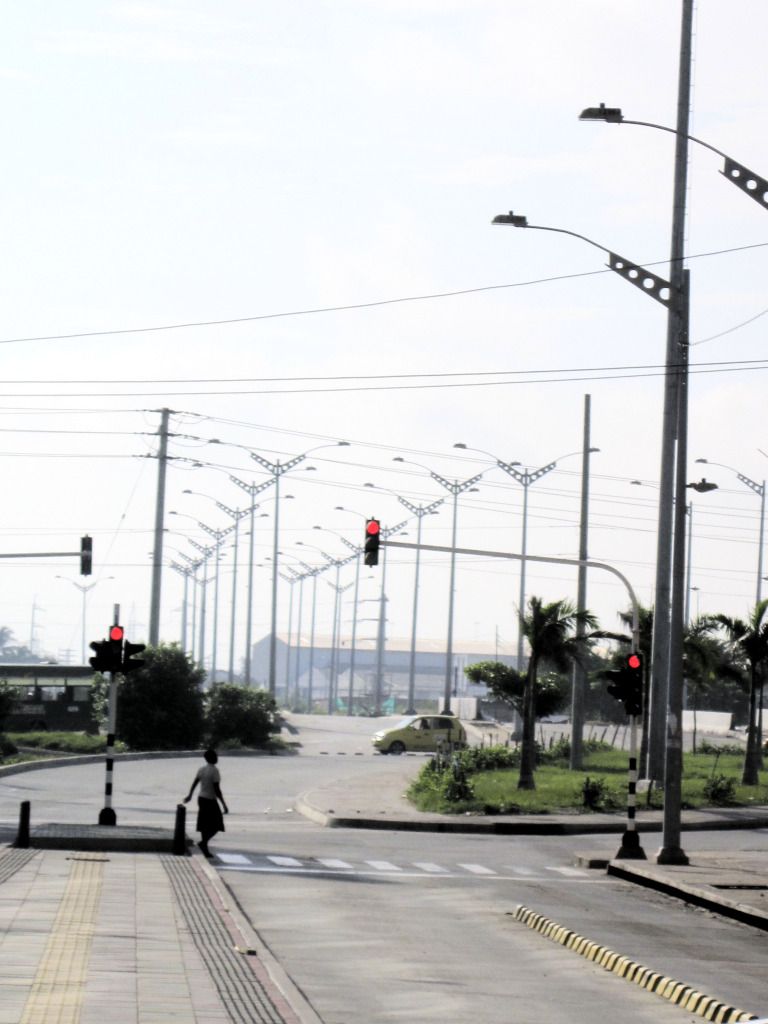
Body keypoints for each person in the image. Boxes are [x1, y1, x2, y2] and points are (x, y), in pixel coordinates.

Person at [183, 749, 228, 858]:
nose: (217, 758)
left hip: (201, 798)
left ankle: (204, 846)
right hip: (210, 800)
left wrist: (190, 795)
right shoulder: (214, 771)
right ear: (212, 758)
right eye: (215, 756)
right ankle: (203, 843)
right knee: (217, 824)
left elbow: (195, 783)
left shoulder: (202, 769)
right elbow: (217, 789)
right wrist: (224, 804)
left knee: (205, 824)